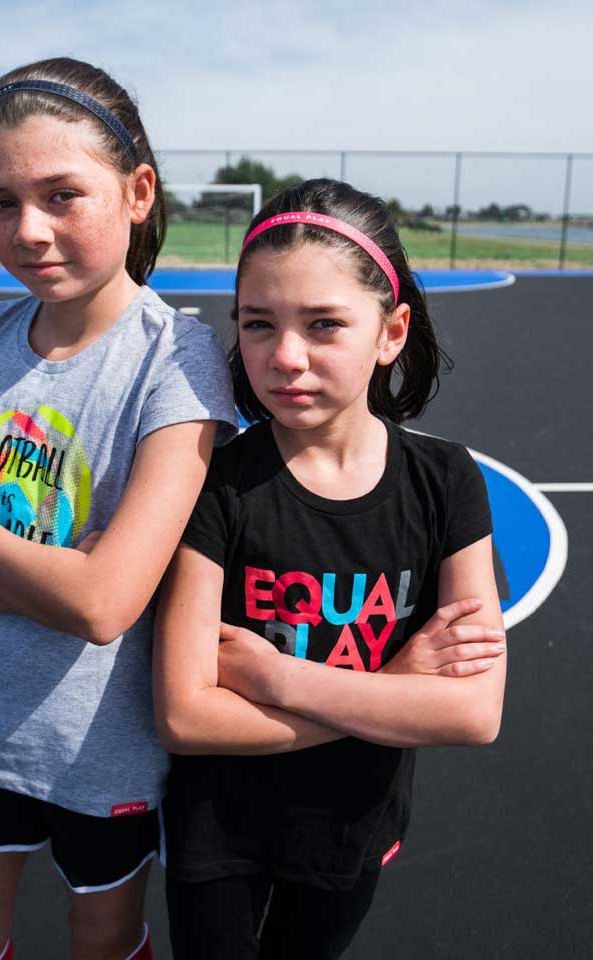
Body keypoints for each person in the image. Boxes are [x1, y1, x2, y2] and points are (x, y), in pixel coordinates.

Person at [0, 57, 236, 960]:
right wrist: (66, 581)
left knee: (104, 943)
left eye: (61, 195)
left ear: (138, 192)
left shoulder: (178, 362)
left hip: (106, 747)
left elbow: (104, 605)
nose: (28, 231)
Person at [153, 178, 507, 959]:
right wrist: (394, 687)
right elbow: (184, 714)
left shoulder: (446, 481)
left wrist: (276, 679)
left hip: (353, 825)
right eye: (257, 324)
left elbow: (474, 713)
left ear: (391, 331)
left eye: (323, 325)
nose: (284, 358)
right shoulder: (214, 481)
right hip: (220, 834)